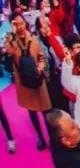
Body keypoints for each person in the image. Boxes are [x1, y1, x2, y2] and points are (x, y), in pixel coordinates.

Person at [5, 13, 52, 150]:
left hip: (37, 77)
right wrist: (12, 33)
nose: (20, 26)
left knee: (45, 110)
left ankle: (51, 136)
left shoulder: (33, 37)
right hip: (23, 81)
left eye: (22, 23)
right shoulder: (10, 38)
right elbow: (9, 51)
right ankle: (41, 138)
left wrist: (40, 67)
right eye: (16, 24)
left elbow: (41, 56)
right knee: (31, 110)